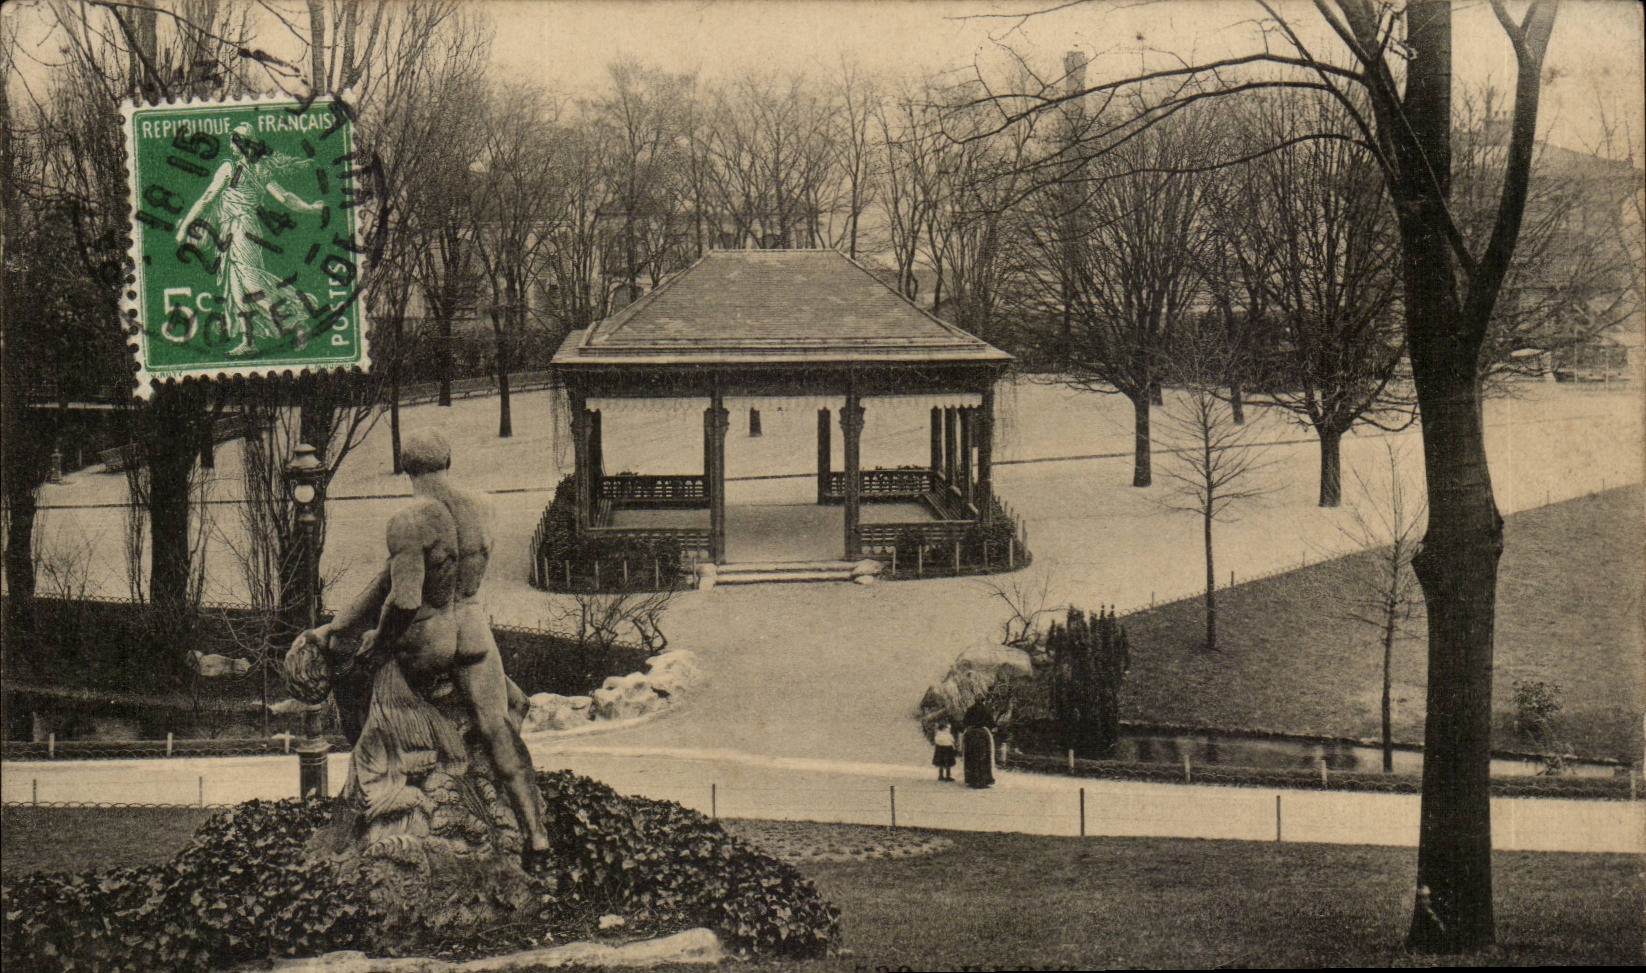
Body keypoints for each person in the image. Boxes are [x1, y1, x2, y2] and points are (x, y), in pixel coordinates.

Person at [299, 429, 550, 868]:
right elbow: (387, 581)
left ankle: (375, 796)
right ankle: (535, 835)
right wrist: (339, 622)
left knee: (353, 679)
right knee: (497, 726)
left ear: (404, 467)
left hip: (428, 641)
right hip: (473, 633)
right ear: (449, 458)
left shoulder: (409, 521)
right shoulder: (484, 507)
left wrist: (376, 643)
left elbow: (404, 599)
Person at [174, 122, 324, 357]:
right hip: (239, 231)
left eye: (233, 140)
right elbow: (286, 198)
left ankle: (296, 322)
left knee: (251, 282)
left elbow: (206, 198)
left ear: (238, 143)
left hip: (240, 229)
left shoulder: (229, 167)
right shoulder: (261, 169)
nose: (230, 145)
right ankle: (249, 340)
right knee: (236, 289)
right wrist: (310, 208)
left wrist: (184, 227)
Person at [961, 700, 996, 789]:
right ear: (983, 701)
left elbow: (965, 722)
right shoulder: (986, 709)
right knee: (986, 756)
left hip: (970, 733)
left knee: (970, 756)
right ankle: (983, 780)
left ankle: (972, 780)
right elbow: (992, 723)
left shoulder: (970, 709)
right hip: (983, 732)